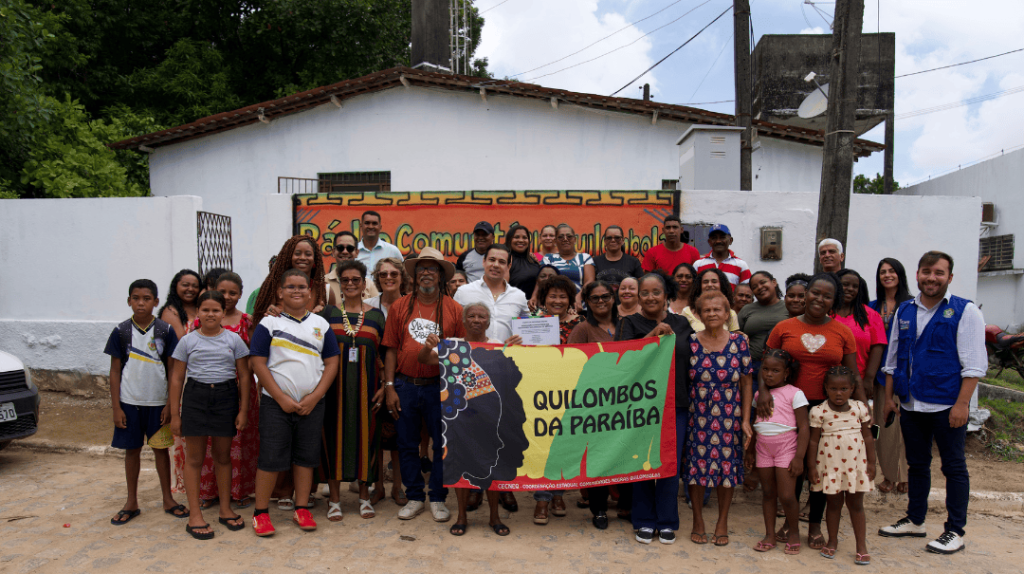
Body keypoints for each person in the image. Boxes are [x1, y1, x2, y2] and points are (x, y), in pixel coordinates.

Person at [879, 251, 985, 555]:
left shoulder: (965, 311)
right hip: (911, 404)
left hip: (947, 404)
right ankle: (916, 520)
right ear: (917, 275)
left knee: (953, 466)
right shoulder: (905, 310)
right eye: (926, 272)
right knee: (917, 464)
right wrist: (889, 399)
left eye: (939, 273)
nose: (931, 278)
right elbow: (892, 358)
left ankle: (955, 531)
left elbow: (974, 365)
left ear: (949, 277)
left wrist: (962, 405)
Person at [760, 272, 865, 550]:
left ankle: (815, 524)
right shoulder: (783, 327)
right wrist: (763, 391)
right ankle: (789, 523)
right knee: (792, 467)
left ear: (834, 301)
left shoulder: (843, 332)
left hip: (828, 409)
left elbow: (854, 374)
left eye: (827, 296)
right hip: (789, 408)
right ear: (806, 294)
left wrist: (864, 409)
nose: (819, 299)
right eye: (815, 292)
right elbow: (765, 364)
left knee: (820, 468)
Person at [376, 247, 466, 523]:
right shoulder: (400, 307)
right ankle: (414, 495)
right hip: (406, 385)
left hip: (440, 386)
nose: (426, 273)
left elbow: (460, 351)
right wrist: (389, 386)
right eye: (421, 268)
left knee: (441, 444)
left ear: (440, 275)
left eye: (432, 268)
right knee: (406, 443)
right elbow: (391, 349)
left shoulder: (455, 309)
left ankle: (438, 497)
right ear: (414, 275)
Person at [249, 269, 340, 536]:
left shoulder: (321, 325)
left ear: (310, 292)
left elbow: (332, 362)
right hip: (275, 404)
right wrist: (281, 398)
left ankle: (302, 508)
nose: (297, 291)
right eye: (290, 287)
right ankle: (261, 513)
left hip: (312, 405)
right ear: (280, 292)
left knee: (306, 458)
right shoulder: (269, 324)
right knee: (270, 458)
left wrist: (315, 397)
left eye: (302, 287)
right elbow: (257, 362)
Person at [418, 302, 511, 537]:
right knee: (459, 465)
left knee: (490, 466)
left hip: (488, 416)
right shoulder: (452, 345)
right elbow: (425, 360)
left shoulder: (497, 346)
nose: (476, 320)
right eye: (471, 316)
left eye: (482, 317)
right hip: (458, 417)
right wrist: (427, 347)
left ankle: (494, 517)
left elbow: (511, 372)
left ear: (488, 322)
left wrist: (517, 351)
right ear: (463, 320)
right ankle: (461, 517)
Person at [617, 271, 694, 544]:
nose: (650, 297)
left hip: (676, 403)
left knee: (669, 463)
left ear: (666, 295)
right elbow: (622, 359)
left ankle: (667, 521)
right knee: (642, 461)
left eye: (656, 292)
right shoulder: (628, 323)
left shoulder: (682, 323)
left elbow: (696, 354)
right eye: (645, 293)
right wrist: (653, 334)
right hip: (640, 407)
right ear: (638, 297)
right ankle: (644, 520)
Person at [168, 290, 251, 539]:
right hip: (196, 398)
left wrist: (243, 410)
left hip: (226, 398)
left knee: (223, 457)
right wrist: (175, 414)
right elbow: (177, 378)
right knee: (194, 459)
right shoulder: (188, 341)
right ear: (198, 313)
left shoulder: (234, 340)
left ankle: (225, 509)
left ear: (223, 313)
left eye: (216, 310)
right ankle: (195, 514)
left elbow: (244, 376)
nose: (210, 314)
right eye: (205, 310)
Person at [105, 279, 184, 526]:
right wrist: (116, 407)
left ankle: (168, 499)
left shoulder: (165, 331)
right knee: (132, 451)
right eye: (136, 298)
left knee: (161, 450)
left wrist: (170, 404)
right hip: (129, 402)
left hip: (158, 403)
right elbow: (115, 371)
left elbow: (173, 369)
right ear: (129, 301)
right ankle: (131, 501)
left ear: (156, 302)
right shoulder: (121, 331)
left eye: (147, 299)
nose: (141, 303)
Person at [319, 260, 387, 522]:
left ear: (364, 283)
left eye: (355, 280)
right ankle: (334, 500)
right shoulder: (328, 314)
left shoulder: (376, 316)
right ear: (339, 283)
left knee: (367, 439)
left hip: (367, 391)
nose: (350, 284)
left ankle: (364, 497)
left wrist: (384, 386)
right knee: (333, 439)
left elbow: (382, 356)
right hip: (333, 390)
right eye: (345, 279)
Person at [685, 290, 753, 547]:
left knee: (727, 470)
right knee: (696, 469)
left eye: (717, 309)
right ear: (699, 315)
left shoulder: (739, 342)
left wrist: (745, 419)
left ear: (727, 314)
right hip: (697, 415)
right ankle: (698, 520)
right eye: (707, 310)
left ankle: (722, 522)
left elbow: (747, 382)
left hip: (729, 416)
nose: (712, 313)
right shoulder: (690, 341)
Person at [189, 273, 261, 510]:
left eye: (233, 293)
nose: (228, 297)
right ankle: (208, 491)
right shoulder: (199, 322)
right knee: (208, 443)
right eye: (223, 292)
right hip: (207, 389)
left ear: (241, 295)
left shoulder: (247, 322)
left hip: (241, 388)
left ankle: (238, 491)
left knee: (238, 442)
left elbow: (254, 354)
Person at [567, 281, 620, 530]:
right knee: (597, 457)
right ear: (586, 302)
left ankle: (626, 503)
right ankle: (598, 508)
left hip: (626, 402)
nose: (600, 301)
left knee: (624, 453)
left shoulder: (626, 325)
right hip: (595, 404)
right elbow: (570, 362)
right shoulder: (582, 328)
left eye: (605, 296)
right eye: (594, 298)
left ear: (613, 298)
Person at [809, 366, 875, 564]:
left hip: (855, 467)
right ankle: (832, 541)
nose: (839, 393)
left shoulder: (859, 408)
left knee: (856, 505)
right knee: (833, 504)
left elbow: (868, 437)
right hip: (830, 467)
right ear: (826, 388)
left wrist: (872, 462)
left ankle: (861, 546)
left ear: (852, 389)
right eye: (834, 389)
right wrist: (811, 467)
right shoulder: (819, 411)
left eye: (844, 389)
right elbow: (813, 441)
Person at [532, 274, 582, 525]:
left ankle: (558, 494)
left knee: (563, 445)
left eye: (563, 296)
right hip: (539, 393)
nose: (558, 301)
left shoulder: (580, 324)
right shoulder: (532, 323)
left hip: (570, 393)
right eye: (553, 296)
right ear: (544, 298)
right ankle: (542, 499)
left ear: (570, 300)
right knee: (542, 445)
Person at [747, 349, 808, 555]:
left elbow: (804, 427)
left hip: (786, 448)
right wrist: (750, 452)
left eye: (775, 370)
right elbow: (755, 423)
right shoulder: (759, 395)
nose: (769, 374)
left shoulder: (795, 393)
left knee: (787, 496)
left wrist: (799, 457)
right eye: (765, 369)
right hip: (763, 448)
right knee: (768, 493)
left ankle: (793, 533)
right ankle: (770, 535)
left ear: (786, 373)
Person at [362, 257, 409, 505]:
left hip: (403, 376)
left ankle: (398, 487)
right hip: (372, 376)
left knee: (400, 434)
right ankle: (378, 486)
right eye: (383, 274)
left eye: (393, 274)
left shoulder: (411, 304)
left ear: (402, 277)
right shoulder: (368, 306)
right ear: (377, 279)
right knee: (375, 435)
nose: (388, 278)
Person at [868, 258, 913, 494]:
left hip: (905, 374)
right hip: (878, 375)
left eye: (891, 271)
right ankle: (888, 474)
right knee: (882, 426)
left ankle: (905, 474)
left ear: (900, 274)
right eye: (882, 271)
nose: (887, 275)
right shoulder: (872, 307)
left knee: (905, 428)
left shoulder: (912, 305)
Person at [454, 245, 529, 343]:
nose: (496, 265)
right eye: (492, 260)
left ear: (509, 266)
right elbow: (453, 327)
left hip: (507, 352)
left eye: (502, 262)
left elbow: (528, 331)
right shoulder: (463, 292)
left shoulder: (519, 296)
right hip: (470, 352)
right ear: (484, 261)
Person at [252, 235, 327, 325]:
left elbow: (334, 322)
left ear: (315, 259)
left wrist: (325, 312)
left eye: (308, 254)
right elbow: (257, 320)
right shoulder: (273, 287)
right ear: (289, 257)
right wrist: (268, 313)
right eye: (297, 253)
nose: (303, 258)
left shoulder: (324, 289)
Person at [739, 271, 789, 376]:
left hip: (781, 367)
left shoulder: (788, 306)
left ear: (774, 282)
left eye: (763, 282)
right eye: (755, 287)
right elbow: (735, 334)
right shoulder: (747, 309)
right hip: (751, 365)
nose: (760, 287)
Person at [539, 224, 594, 300]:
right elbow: (542, 281)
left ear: (575, 240)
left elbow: (590, 281)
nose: (565, 239)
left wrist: (578, 298)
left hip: (580, 302)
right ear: (555, 241)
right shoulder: (548, 258)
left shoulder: (585, 257)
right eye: (561, 237)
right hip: (555, 302)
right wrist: (534, 296)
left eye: (569, 236)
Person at [328, 231, 378, 305]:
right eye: (340, 248)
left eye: (350, 248)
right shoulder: (323, 283)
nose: (345, 252)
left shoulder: (369, 284)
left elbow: (377, 309)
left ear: (357, 252)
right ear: (333, 252)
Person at [593, 225, 643, 291]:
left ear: (623, 240)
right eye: (609, 238)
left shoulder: (633, 262)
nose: (613, 240)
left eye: (617, 238)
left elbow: (641, 286)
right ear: (605, 241)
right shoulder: (595, 262)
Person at [159, 269, 202, 341]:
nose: (190, 289)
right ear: (175, 287)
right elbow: (180, 341)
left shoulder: (203, 308)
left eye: (195, 286)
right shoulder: (171, 311)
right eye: (185, 285)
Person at [505, 225, 542, 296]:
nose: (521, 240)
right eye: (516, 237)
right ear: (509, 240)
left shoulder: (534, 260)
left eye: (524, 238)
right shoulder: (504, 261)